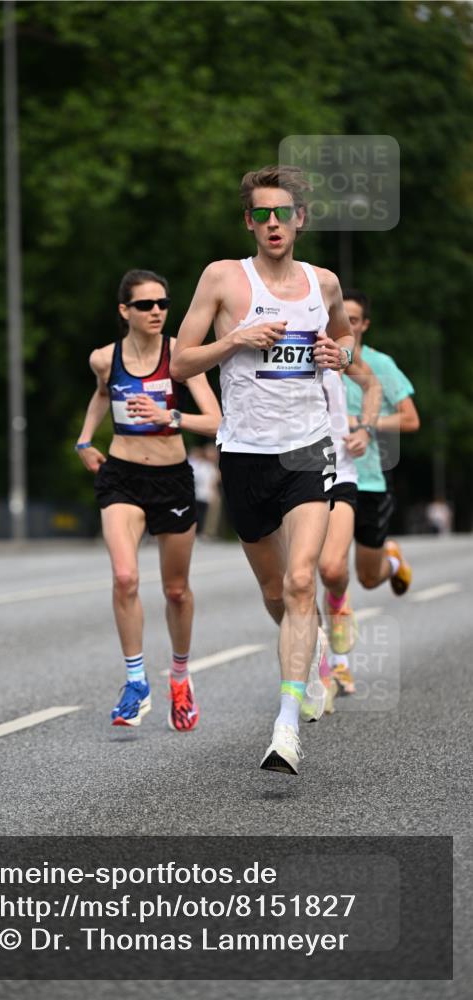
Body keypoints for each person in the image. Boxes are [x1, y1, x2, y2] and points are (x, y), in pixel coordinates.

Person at [171, 166, 379, 775]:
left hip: (308, 448)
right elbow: (181, 363)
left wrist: (337, 355)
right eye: (261, 214)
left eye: (282, 213)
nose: (273, 224)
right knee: (273, 592)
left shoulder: (325, 283)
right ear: (249, 222)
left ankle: (286, 725)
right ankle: (306, 648)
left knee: (300, 580)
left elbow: (345, 349)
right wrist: (236, 339)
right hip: (244, 453)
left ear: (299, 220)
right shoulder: (222, 278)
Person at [76, 269, 221, 731]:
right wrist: (83, 441)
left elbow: (216, 421)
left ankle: (179, 675)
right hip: (121, 475)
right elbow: (102, 395)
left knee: (175, 590)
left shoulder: (179, 354)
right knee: (124, 577)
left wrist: (169, 414)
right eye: (146, 305)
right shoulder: (105, 358)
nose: (157, 311)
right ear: (125, 311)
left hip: (172, 480)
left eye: (163, 303)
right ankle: (136, 681)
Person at [343, 290, 420, 599]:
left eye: (353, 320)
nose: (347, 326)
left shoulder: (381, 365)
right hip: (326, 474)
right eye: (341, 319)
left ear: (365, 325)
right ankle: (335, 642)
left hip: (370, 477)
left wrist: (364, 422)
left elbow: (411, 420)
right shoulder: (321, 358)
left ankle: (390, 560)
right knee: (330, 567)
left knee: (368, 577)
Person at [318, 364, 381, 702]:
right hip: (288, 474)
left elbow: (372, 384)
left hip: (339, 471)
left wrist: (366, 430)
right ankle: (321, 663)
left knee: (331, 569)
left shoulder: (333, 347)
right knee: (295, 582)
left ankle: (339, 602)